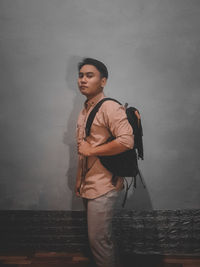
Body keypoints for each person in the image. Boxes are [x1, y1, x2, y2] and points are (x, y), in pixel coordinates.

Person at [75, 58, 134, 267]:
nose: (83, 80)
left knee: (98, 240)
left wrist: (92, 149)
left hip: (104, 184)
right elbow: (85, 150)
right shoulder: (86, 109)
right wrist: (79, 182)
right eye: (81, 75)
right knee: (102, 239)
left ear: (103, 81)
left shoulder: (109, 107)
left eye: (89, 75)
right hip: (89, 183)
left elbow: (127, 140)